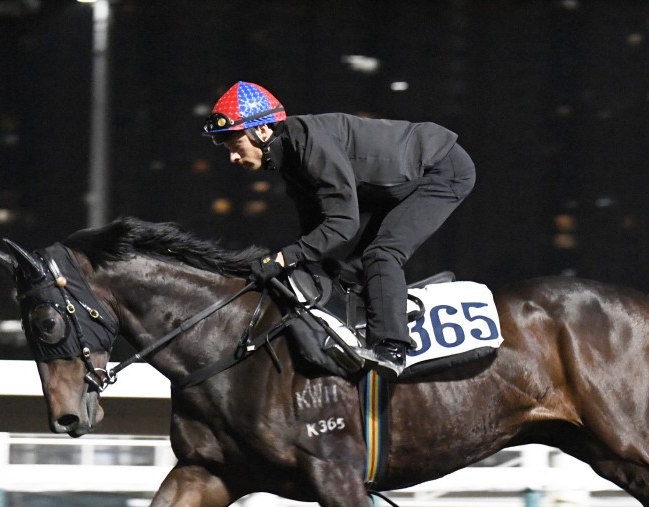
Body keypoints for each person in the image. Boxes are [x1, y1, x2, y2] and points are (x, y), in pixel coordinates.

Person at [203, 81, 476, 379]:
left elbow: (344, 225)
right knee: (349, 270)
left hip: (441, 169)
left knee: (382, 254)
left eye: (235, 146)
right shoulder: (290, 161)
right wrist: (297, 262)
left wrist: (283, 258)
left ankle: (392, 348)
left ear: (263, 131)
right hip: (392, 186)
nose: (232, 157)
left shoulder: (311, 145)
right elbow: (315, 230)